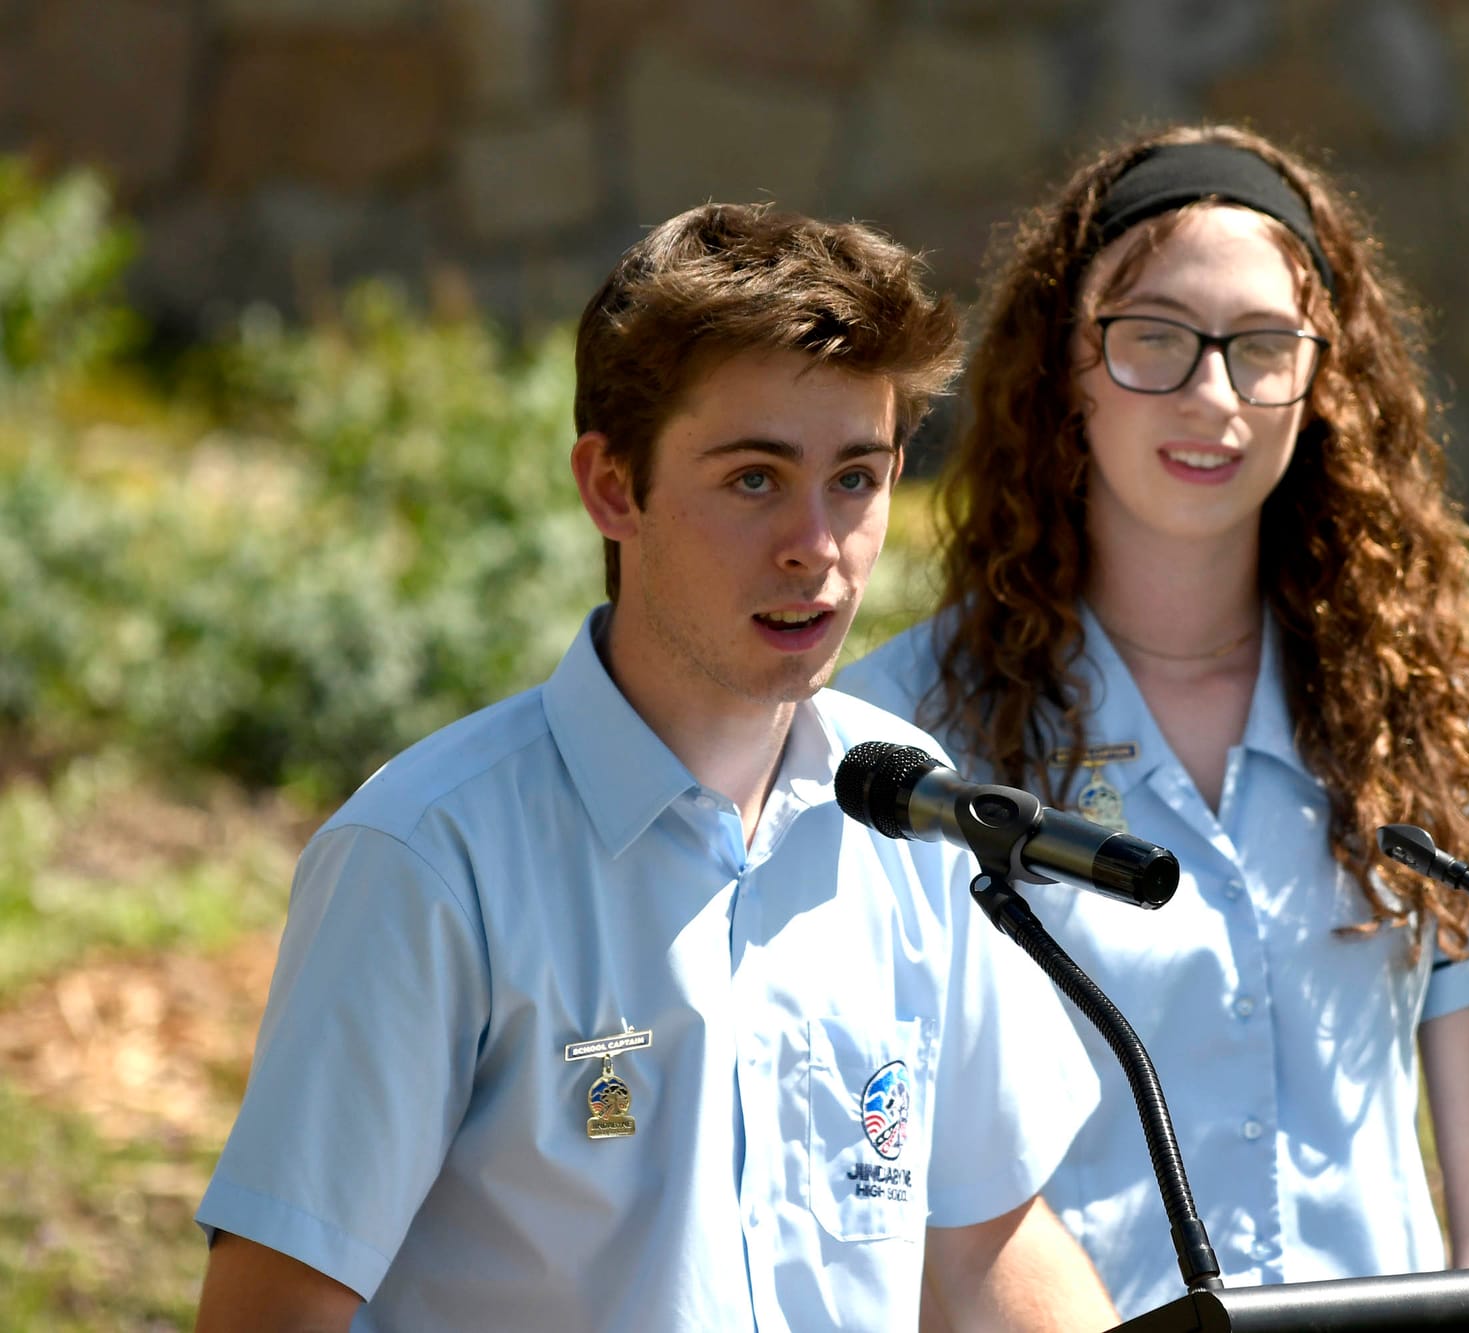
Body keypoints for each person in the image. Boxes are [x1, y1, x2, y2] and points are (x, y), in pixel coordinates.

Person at [193, 204, 1121, 1332]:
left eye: (856, 480)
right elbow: (272, 1312)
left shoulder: (913, 813)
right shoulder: (429, 854)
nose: (815, 546)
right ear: (610, 487)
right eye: (752, 479)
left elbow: (982, 1251)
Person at [836, 124, 1469, 1317]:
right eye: (1153, 338)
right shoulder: (907, 740)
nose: (1212, 394)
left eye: (1261, 346)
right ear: (1066, 368)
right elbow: (900, 1185)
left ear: (1323, 377)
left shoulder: (1421, 721)